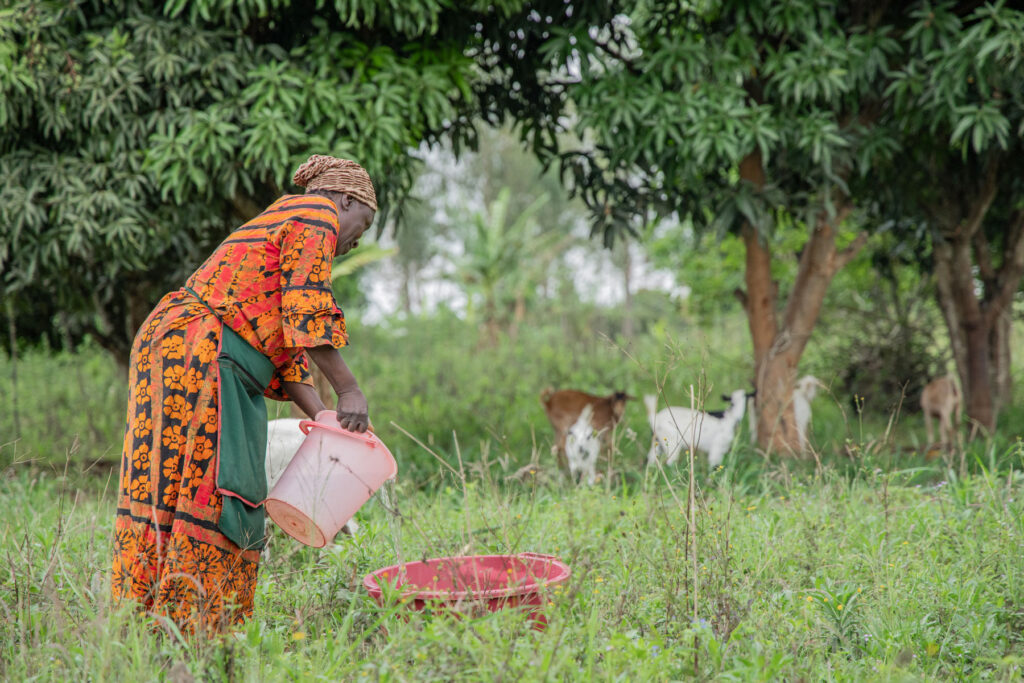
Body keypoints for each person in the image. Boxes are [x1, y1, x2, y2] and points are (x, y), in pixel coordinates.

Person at [112, 155, 376, 634]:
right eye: (364, 222)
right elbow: (306, 306)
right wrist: (349, 389)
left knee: (170, 490)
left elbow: (284, 344)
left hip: (179, 349)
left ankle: (153, 628)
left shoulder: (284, 226)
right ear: (347, 199)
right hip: (200, 353)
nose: (359, 238)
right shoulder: (314, 214)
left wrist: (326, 422)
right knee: (212, 489)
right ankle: (193, 627)